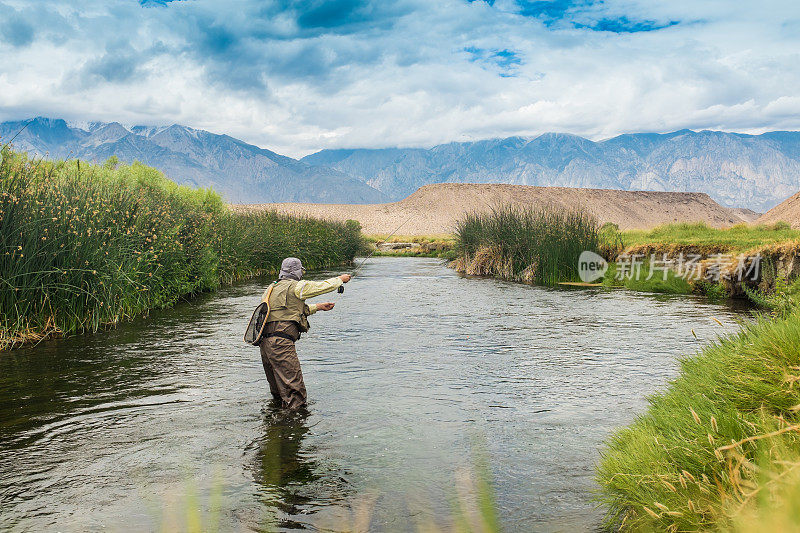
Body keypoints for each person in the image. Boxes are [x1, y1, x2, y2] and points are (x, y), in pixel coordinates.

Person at [259, 257, 351, 409]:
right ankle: (296, 428)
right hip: (281, 344)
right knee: (295, 394)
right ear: (297, 272)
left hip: (266, 345)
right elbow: (319, 286)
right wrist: (340, 279)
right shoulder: (297, 286)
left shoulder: (272, 288)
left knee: (278, 393)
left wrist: (319, 307)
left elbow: (287, 311)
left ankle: (276, 427)